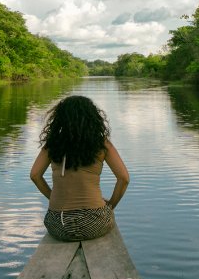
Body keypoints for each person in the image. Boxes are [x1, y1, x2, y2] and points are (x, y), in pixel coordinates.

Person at [30, 95, 129, 241]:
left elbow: (35, 175)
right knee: (108, 215)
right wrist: (110, 206)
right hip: (94, 223)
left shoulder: (52, 145)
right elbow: (124, 178)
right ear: (92, 117)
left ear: (60, 119)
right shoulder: (102, 144)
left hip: (58, 224)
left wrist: (53, 198)